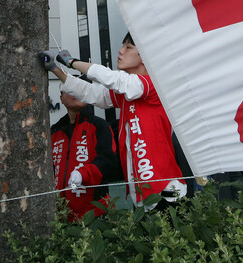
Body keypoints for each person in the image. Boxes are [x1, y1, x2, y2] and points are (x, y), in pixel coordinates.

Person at [40, 32, 186, 211]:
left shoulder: (153, 85)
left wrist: (71, 61)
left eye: (128, 47)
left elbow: (115, 79)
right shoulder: (128, 94)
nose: (120, 51)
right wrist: (55, 69)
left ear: (145, 56)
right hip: (141, 197)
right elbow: (94, 94)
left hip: (166, 195)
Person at [50, 76, 120, 221]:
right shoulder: (54, 131)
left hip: (95, 214)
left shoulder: (99, 126)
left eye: (80, 89)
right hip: (60, 216)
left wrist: (84, 173)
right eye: (70, 89)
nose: (75, 93)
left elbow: (108, 161)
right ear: (61, 98)